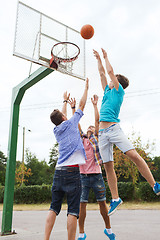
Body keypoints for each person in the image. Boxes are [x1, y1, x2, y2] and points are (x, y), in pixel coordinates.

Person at [93, 48, 160, 216]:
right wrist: (98, 59)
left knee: (134, 156)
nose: (108, 81)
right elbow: (102, 74)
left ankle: (154, 185)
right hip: (102, 134)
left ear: (117, 82)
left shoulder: (118, 91)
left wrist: (106, 57)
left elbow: (109, 72)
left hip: (114, 129)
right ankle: (115, 199)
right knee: (108, 166)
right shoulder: (107, 92)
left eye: (112, 80)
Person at [44, 79, 89, 240]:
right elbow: (82, 105)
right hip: (72, 171)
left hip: (59, 171)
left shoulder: (57, 130)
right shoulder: (71, 123)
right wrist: (86, 88)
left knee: (53, 207)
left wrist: (64, 101)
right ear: (64, 117)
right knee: (73, 211)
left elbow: (59, 116)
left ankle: (45, 238)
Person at [68, 95, 116, 240]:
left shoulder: (97, 138)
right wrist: (73, 108)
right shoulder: (82, 140)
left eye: (92, 127)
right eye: (88, 127)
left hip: (96, 176)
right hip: (83, 177)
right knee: (82, 206)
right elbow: (76, 124)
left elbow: (97, 121)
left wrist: (95, 105)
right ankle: (81, 233)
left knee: (102, 204)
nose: (90, 127)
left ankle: (108, 229)